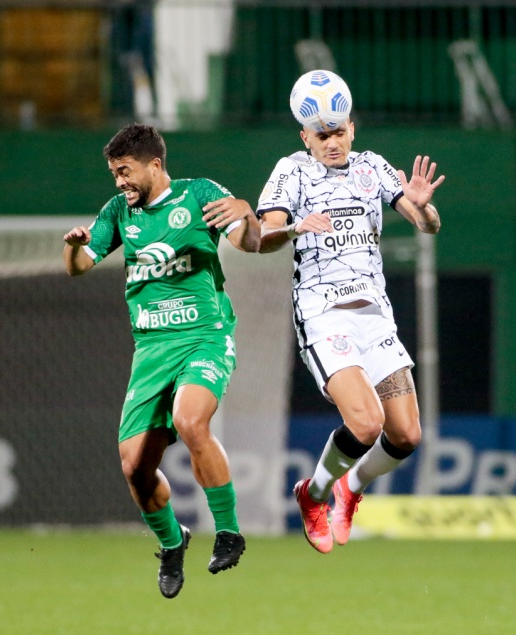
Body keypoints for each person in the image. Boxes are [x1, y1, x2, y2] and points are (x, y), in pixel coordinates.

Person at [63, 124, 259, 598]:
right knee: (134, 466)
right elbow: (79, 267)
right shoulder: (117, 212)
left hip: (203, 337)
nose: (119, 182)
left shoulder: (200, 194)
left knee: (190, 421)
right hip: (151, 349)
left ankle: (229, 531)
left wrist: (248, 216)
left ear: (154, 165)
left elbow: (248, 243)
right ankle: (173, 543)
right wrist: (73, 246)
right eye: (113, 173)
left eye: (124, 171)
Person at [256, 71, 444, 554]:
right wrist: (296, 226)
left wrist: (424, 210)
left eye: (339, 131)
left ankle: (349, 486)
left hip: (375, 315)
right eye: (322, 135)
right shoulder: (291, 171)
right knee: (366, 423)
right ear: (305, 137)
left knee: (406, 433)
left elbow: (428, 226)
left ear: (352, 129)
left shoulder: (373, 168)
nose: (333, 142)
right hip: (324, 314)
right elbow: (262, 235)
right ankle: (313, 493)